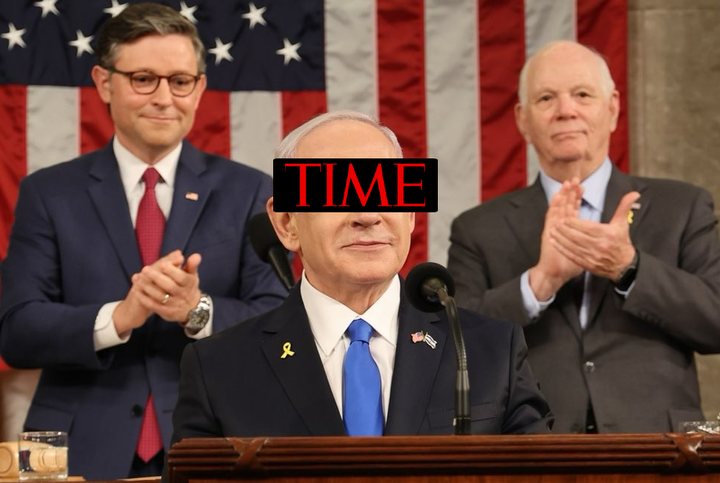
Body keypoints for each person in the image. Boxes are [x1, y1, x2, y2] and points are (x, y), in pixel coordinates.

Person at [0, 3, 286, 479]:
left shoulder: (250, 190)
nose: (164, 98)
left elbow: (281, 322)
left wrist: (197, 310)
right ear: (103, 82)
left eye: (180, 81)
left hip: (215, 443)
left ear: (199, 88)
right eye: (143, 79)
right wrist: (118, 317)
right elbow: (17, 331)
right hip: (72, 450)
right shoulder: (48, 192)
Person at [170, 110, 552, 445]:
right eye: (336, 190)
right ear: (287, 223)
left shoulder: (491, 351)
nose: (367, 215)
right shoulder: (218, 369)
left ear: (410, 215)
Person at [447, 40, 720, 434]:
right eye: (546, 98)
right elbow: (453, 347)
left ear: (612, 108)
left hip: (659, 448)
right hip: (532, 447)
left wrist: (629, 269)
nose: (566, 111)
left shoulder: (683, 206)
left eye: (582, 94)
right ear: (523, 120)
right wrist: (540, 283)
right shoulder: (476, 228)